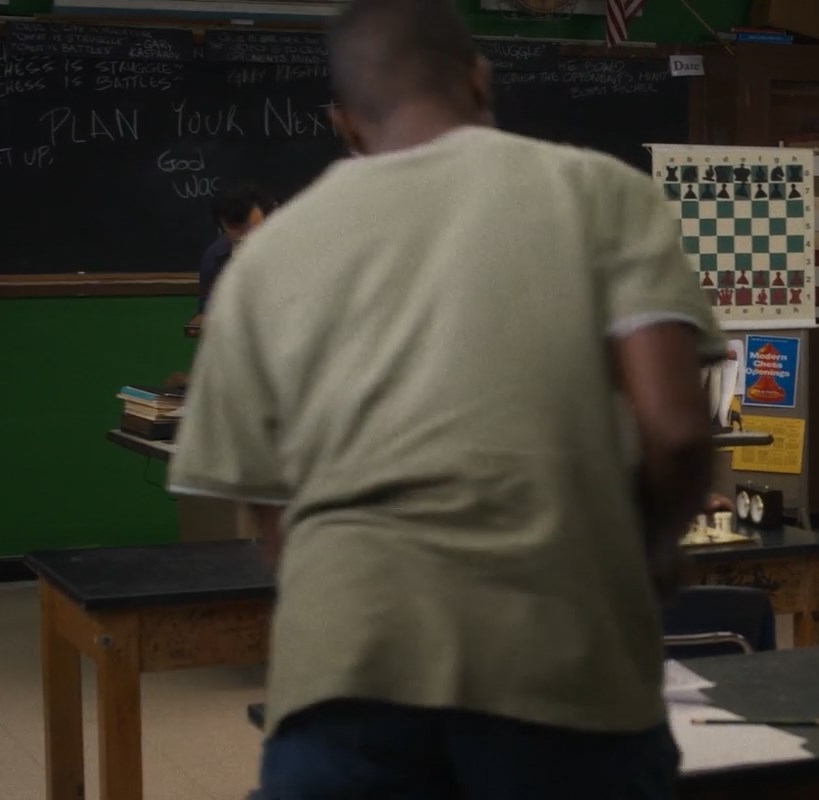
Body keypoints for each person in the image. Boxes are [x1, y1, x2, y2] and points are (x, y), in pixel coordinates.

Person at [166, 0, 723, 794]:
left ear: (343, 120)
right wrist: (646, 556)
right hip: (564, 658)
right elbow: (676, 431)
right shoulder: (606, 195)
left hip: (349, 670)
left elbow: (274, 519)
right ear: (480, 78)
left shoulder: (262, 259)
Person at [196, 183, 274, 315]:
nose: (247, 236)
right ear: (221, 229)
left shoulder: (290, 248)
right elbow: (208, 313)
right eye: (237, 229)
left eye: (253, 227)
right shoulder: (214, 259)